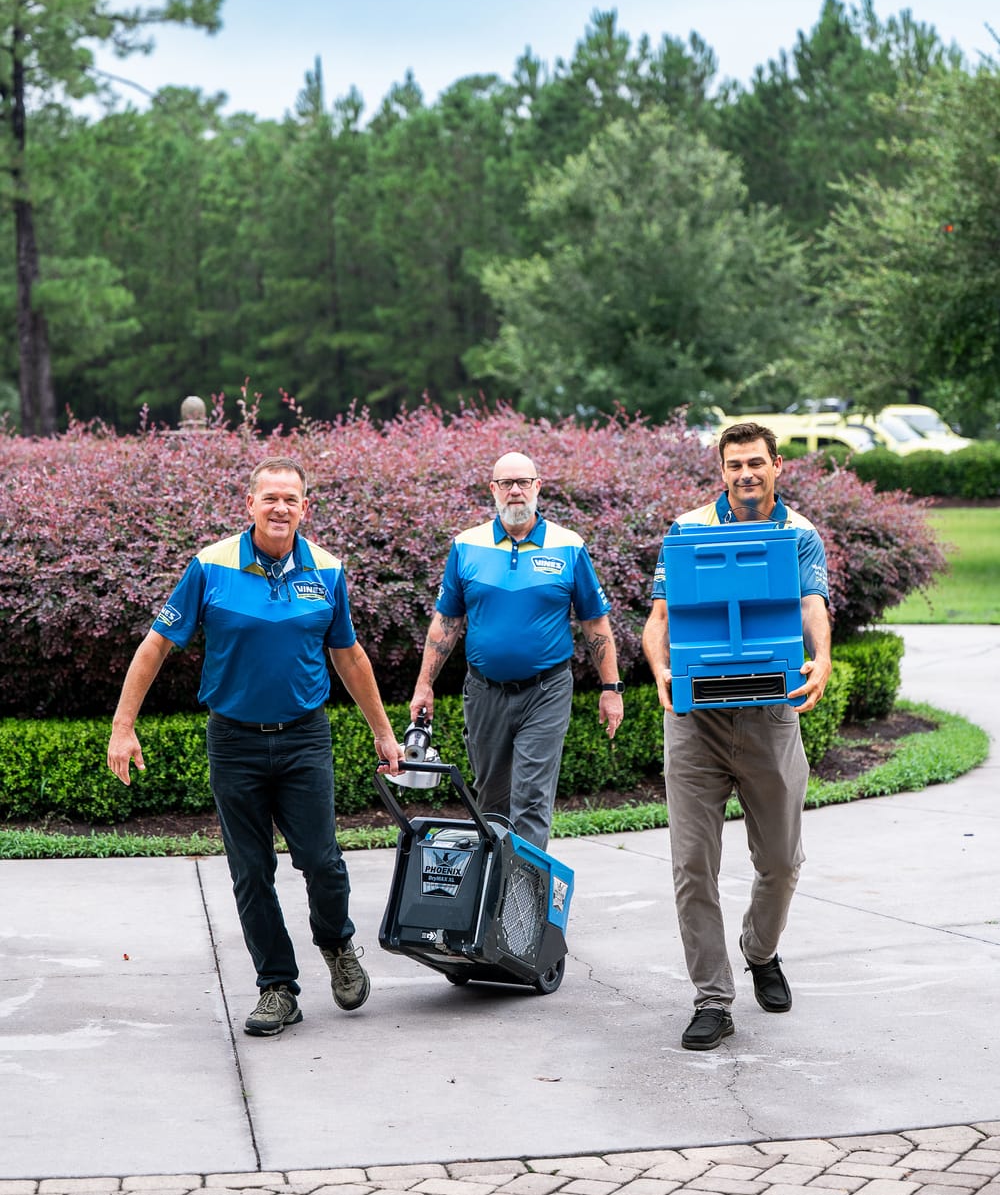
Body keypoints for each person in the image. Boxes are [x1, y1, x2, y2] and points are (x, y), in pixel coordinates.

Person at [107, 456, 402, 1038]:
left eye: (291, 499)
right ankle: (277, 987)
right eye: (270, 498)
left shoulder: (328, 571)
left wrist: (383, 731)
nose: (280, 508)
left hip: (304, 739)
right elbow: (156, 644)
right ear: (250, 504)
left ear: (305, 508)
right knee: (250, 870)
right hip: (234, 741)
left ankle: (337, 944)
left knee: (322, 860)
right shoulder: (210, 566)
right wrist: (123, 725)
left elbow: (348, 655)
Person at [642, 421, 831, 1052]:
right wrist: (660, 667)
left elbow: (811, 605)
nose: (745, 474)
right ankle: (713, 999)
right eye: (733, 465)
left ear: (777, 465)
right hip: (695, 720)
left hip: (770, 714)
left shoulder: (798, 533)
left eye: (755, 463)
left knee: (781, 861)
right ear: (721, 471)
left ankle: (760, 950)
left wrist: (822, 658)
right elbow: (660, 617)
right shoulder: (686, 529)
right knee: (692, 864)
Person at [409, 450, 625, 849]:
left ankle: (524, 888)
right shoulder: (466, 545)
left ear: (537, 487)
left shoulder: (568, 545)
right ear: (492, 489)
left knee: (531, 798)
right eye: (506, 483)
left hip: (546, 691)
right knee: (490, 800)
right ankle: (494, 882)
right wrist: (424, 685)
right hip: (484, 690)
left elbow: (594, 622)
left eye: (523, 482)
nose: (515, 491)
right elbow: (447, 622)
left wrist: (611, 688)